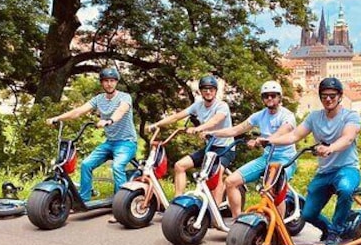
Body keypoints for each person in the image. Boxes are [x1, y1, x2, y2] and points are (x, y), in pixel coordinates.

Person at [264, 77, 360, 245]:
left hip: (347, 169)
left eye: (332, 95)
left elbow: (348, 138)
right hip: (325, 171)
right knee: (308, 214)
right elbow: (294, 136)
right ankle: (328, 229)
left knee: (345, 189)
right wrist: (270, 140)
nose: (328, 99)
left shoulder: (350, 116)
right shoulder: (315, 117)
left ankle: (335, 233)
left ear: (340, 96)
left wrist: (331, 148)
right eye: (324, 96)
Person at [203, 80, 297, 219]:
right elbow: (236, 129)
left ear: (279, 97)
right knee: (230, 182)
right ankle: (237, 221)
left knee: (272, 190)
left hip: (285, 160)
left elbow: (283, 131)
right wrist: (212, 132)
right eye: (266, 96)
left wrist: (266, 140)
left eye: (273, 95)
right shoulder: (259, 115)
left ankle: (278, 229)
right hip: (266, 158)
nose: (269, 98)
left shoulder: (287, 116)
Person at [46, 67, 138, 205]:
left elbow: (121, 110)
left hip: (127, 142)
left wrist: (109, 120)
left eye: (112, 81)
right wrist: (57, 118)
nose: (109, 84)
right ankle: (84, 200)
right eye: (106, 81)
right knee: (86, 164)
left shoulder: (125, 97)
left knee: (118, 167)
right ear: (102, 83)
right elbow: (79, 111)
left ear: (116, 82)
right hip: (109, 142)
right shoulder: (98, 99)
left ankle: (121, 205)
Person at [147, 75, 234, 202]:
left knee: (216, 175)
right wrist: (156, 124)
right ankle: (177, 202)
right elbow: (176, 117)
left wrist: (199, 128)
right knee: (179, 166)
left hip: (226, 149)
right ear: (200, 91)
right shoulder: (197, 106)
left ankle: (215, 216)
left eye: (211, 89)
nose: (208, 92)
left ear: (215, 91)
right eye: (205, 89)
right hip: (210, 148)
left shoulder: (222, 106)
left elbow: (215, 121)